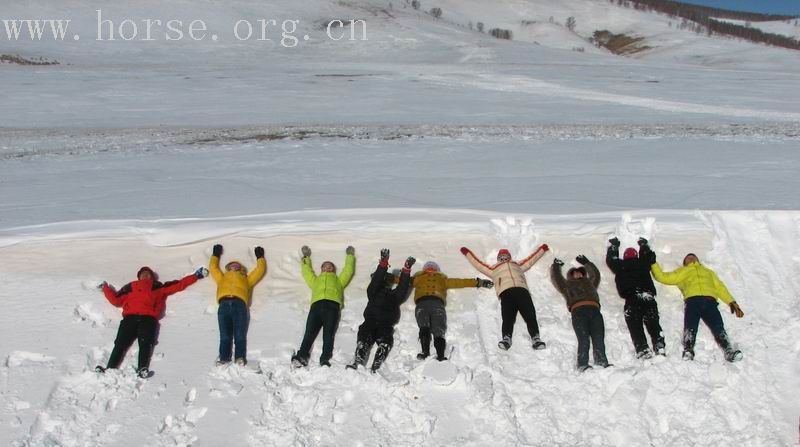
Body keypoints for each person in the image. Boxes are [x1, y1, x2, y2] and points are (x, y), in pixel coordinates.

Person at [97, 265, 206, 377]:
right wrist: (105, 288)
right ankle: (110, 368)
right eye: (143, 273)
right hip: (130, 318)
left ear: (152, 277)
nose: (146, 275)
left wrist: (196, 276)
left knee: (146, 343)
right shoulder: (129, 287)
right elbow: (115, 300)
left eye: (148, 274)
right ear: (139, 277)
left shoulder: (157, 286)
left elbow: (178, 285)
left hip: (148, 319)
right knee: (120, 343)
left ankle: (142, 369)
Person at [650, 253, 744, 362]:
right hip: (693, 301)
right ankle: (688, 350)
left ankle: (728, 351)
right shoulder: (682, 271)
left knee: (718, 327)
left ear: (698, 260)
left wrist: (732, 302)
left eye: (693, 256)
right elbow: (662, 277)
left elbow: (720, 288)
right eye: (688, 257)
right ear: (684, 263)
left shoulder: (709, 272)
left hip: (710, 302)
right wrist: (653, 263)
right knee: (690, 326)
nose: (691, 257)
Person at [460, 245, 550, 350]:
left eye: (506, 256)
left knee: (530, 314)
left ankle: (536, 338)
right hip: (506, 292)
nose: (504, 258)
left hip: (522, 291)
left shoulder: (517, 265)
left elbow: (531, 260)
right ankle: (506, 338)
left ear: (509, 257)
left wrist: (542, 249)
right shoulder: (493, 269)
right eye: (501, 257)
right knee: (507, 317)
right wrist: (467, 252)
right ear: (498, 259)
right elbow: (478, 264)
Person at [409, 261, 493, 361]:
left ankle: (440, 355)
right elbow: (402, 280)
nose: (430, 268)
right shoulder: (418, 278)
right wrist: (386, 276)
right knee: (424, 327)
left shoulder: (442, 279)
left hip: (437, 304)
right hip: (422, 304)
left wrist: (479, 282)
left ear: (437, 270)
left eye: (433, 267)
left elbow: (460, 282)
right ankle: (425, 352)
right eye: (428, 267)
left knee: (439, 330)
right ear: (423, 270)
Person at [347, 249, 414, 372]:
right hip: (370, 320)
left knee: (385, 341)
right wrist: (383, 263)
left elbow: (403, 288)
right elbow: (376, 281)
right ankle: (358, 360)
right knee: (364, 338)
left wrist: (406, 270)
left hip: (386, 323)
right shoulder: (373, 292)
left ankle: (376, 364)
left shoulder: (395, 296)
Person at [292, 245, 356, 367]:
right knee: (309, 333)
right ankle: (302, 357)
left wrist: (350, 256)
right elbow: (307, 272)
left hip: (332, 307)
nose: (328, 267)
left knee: (328, 334)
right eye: (325, 266)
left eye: (330, 266)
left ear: (333, 270)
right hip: (316, 307)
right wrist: (306, 257)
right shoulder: (315, 281)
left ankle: (325, 359)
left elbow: (348, 271)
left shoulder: (338, 281)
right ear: (321, 269)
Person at [606, 237, 665, 359]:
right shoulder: (643, 263)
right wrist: (643, 245)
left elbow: (611, 260)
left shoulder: (620, 265)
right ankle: (659, 345)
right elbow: (647, 256)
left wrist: (614, 246)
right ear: (636, 255)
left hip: (632, 298)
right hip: (648, 297)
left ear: (625, 256)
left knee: (635, 325)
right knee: (653, 323)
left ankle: (642, 349)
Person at [209, 244, 267, 366]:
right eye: (231, 264)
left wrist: (260, 257)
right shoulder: (222, 278)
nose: (234, 265)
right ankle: (224, 357)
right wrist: (215, 254)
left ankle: (240, 357)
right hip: (223, 304)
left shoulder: (246, 279)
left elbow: (259, 271)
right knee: (225, 335)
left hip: (239, 304)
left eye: (237, 265)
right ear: (228, 268)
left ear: (242, 269)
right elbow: (213, 268)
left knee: (240, 334)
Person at [550, 255, 609, 372]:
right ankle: (582, 364)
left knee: (599, 337)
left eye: (580, 272)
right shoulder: (566, 285)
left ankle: (601, 361)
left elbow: (595, 274)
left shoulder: (591, 283)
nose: (577, 274)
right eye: (574, 273)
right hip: (578, 312)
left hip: (595, 310)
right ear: (570, 276)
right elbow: (557, 278)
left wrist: (587, 263)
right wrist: (556, 266)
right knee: (583, 339)